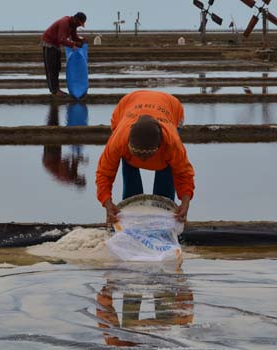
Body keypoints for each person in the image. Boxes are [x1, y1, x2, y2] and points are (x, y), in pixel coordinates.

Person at [95, 90, 195, 224]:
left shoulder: (171, 144)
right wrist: (107, 203)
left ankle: (162, 218)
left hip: (170, 106)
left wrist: (185, 202)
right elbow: (104, 173)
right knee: (129, 165)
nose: (142, 161)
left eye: (147, 155)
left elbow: (183, 173)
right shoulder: (118, 141)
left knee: (167, 170)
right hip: (128, 103)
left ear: (159, 146)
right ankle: (132, 214)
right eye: (138, 155)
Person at [41, 12, 86, 97]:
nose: (79, 26)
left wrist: (81, 40)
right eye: (79, 23)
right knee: (52, 68)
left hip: (57, 44)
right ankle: (54, 91)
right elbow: (61, 39)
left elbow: (74, 37)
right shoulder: (65, 22)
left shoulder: (73, 25)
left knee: (57, 67)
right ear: (75, 19)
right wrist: (72, 45)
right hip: (49, 43)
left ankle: (56, 89)